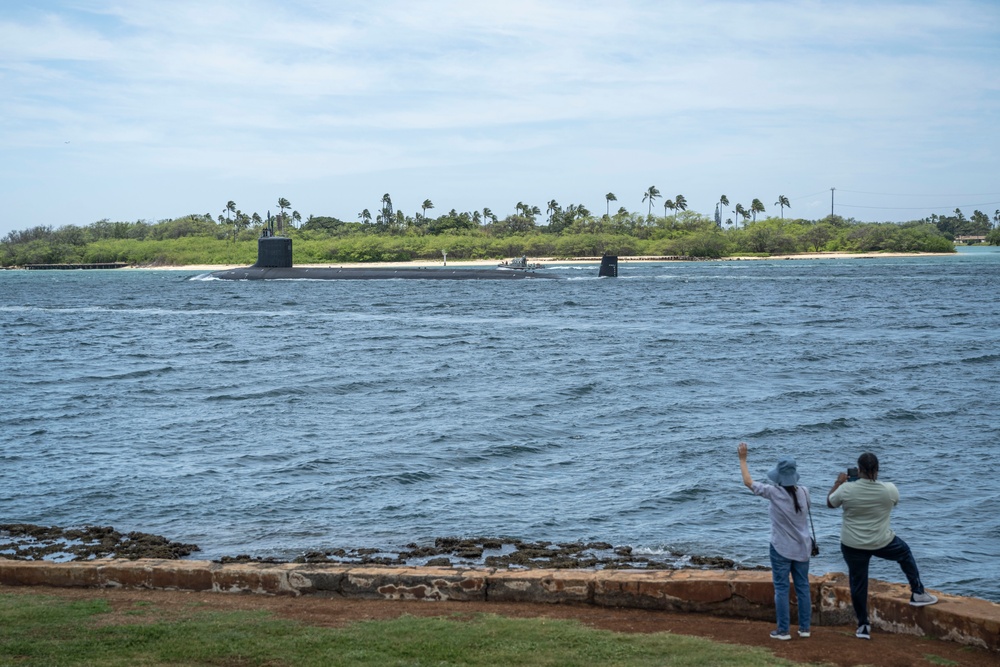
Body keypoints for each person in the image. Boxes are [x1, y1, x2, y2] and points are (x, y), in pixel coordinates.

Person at [827, 452, 938, 641]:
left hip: (852, 544)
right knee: (905, 553)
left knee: (858, 582)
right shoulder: (889, 489)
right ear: (877, 470)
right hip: (882, 541)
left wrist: (840, 482)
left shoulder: (846, 489)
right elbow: (892, 502)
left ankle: (863, 626)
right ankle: (918, 592)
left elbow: (830, 503)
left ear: (859, 469)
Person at [738, 442, 812, 640]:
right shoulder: (804, 492)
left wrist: (743, 460)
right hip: (803, 547)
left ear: (779, 476)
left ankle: (783, 630)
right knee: (803, 587)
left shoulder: (773, 492)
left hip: (781, 548)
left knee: (781, 588)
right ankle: (804, 628)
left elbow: (748, 482)